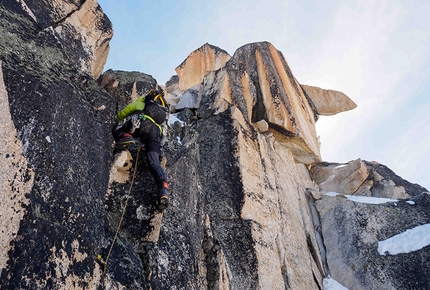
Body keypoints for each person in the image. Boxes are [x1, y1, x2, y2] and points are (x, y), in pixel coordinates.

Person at [112, 89, 170, 209]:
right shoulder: (161, 113)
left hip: (141, 126)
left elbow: (126, 111)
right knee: (154, 163)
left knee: (119, 130)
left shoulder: (143, 103)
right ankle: (163, 190)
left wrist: (117, 118)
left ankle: (126, 137)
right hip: (155, 135)